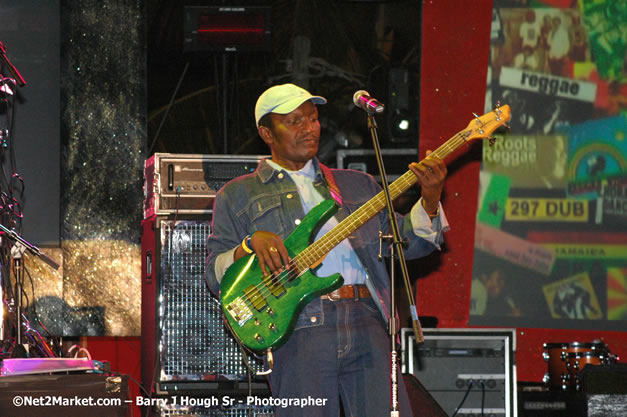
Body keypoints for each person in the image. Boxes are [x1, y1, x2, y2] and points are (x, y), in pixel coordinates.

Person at [204, 83, 449, 417]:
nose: (308, 128)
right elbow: (214, 275)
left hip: (367, 318)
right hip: (299, 327)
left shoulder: (356, 185)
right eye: (293, 121)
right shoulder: (238, 194)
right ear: (266, 132)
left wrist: (431, 199)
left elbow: (407, 247)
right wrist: (248, 245)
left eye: (313, 118)